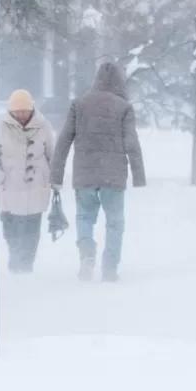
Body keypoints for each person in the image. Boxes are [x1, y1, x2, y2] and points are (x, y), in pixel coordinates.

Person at [51, 62, 146, 282]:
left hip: (84, 175)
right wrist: (138, 176)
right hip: (113, 177)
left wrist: (56, 175)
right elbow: (132, 142)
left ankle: (86, 254)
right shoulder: (124, 107)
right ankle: (110, 268)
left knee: (84, 217)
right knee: (115, 223)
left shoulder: (79, 104)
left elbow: (64, 140)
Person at [0, 90, 55, 273]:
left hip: (36, 186)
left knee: (32, 228)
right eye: (17, 111)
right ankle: (15, 259)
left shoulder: (43, 126)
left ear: (31, 109)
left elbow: (52, 154)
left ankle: (27, 264)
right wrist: (0, 176)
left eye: (25, 110)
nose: (22, 114)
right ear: (11, 111)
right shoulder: (1, 127)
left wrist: (53, 178)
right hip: (11, 186)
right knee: (10, 226)